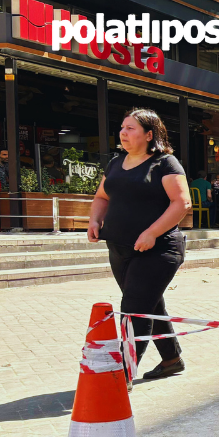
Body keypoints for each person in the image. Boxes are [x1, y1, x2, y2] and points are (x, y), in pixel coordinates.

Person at [86, 109, 192, 381]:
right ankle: (171, 360)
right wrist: (95, 221)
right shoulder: (115, 163)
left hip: (158, 249)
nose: (123, 132)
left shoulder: (165, 163)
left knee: (134, 309)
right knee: (149, 306)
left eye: (131, 128)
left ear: (149, 134)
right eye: (122, 127)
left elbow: (181, 203)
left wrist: (152, 232)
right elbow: (101, 197)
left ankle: (121, 375)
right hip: (119, 248)